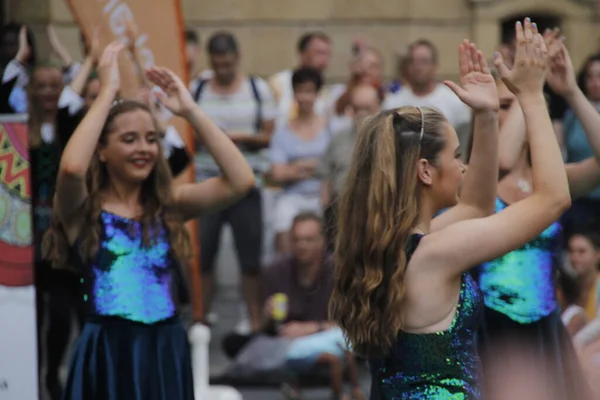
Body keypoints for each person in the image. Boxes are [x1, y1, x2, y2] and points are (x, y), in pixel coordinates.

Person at [330, 19, 572, 399]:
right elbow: (553, 199)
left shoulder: (399, 244)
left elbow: (477, 207)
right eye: (457, 156)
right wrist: (532, 96)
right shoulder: (436, 253)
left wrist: (488, 115)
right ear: (425, 171)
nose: (462, 167)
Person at [42, 41, 255, 399]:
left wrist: (190, 111)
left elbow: (240, 181)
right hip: (109, 350)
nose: (144, 148)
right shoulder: (82, 209)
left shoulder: (167, 204)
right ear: (103, 151)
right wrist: (108, 91)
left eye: (151, 139)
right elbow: (72, 167)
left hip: (164, 348)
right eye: (129, 139)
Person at [471, 30, 600, 399]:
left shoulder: (553, 181)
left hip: (544, 325)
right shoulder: (477, 179)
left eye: (509, 106)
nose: (501, 113)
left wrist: (570, 91)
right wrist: (528, 88)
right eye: (498, 106)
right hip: (490, 327)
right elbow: (504, 159)